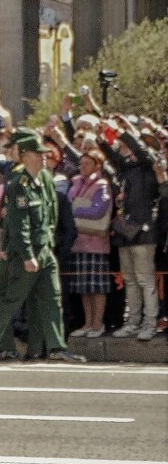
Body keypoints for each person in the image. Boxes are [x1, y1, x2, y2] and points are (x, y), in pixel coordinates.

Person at [0, 128, 83, 363]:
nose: (44, 156)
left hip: (45, 250)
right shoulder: (19, 184)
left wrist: (48, 245)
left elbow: (51, 213)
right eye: (38, 153)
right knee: (12, 298)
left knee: (52, 298)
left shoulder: (45, 178)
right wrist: (25, 253)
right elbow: (17, 221)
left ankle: (55, 347)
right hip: (27, 253)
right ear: (25, 156)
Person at [100, 123, 160, 341]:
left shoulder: (149, 164)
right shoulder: (128, 169)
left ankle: (149, 323)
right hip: (125, 232)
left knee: (145, 281)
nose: (125, 148)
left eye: (129, 145)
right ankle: (133, 322)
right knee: (131, 280)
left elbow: (141, 152)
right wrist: (101, 139)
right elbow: (113, 157)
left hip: (144, 233)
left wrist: (124, 132)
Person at [65, 149, 112, 338]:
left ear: (97, 166)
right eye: (81, 163)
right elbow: (67, 207)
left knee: (97, 287)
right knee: (84, 287)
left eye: (87, 163)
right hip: (79, 242)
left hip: (96, 243)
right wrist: (80, 208)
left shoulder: (102, 185)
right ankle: (87, 323)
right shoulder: (75, 183)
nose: (82, 166)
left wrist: (76, 209)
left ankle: (97, 323)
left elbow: (98, 211)